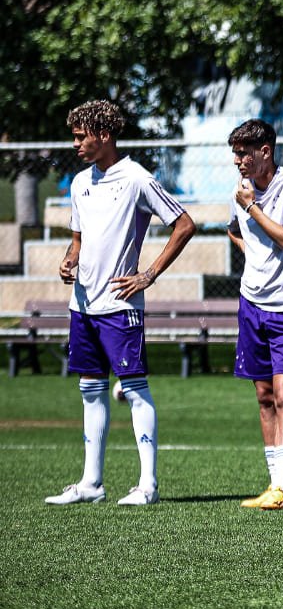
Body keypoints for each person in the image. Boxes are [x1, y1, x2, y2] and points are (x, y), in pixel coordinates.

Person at [45, 100, 194, 507]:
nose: (75, 143)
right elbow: (78, 239)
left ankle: (147, 485)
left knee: (134, 388)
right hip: (83, 305)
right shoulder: (79, 183)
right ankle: (92, 483)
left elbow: (184, 224)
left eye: (81, 136)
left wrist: (148, 274)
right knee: (91, 390)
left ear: (104, 135)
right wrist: (70, 259)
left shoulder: (137, 179)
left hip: (120, 305)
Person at [227, 118, 283, 510]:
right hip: (252, 303)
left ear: (266, 151)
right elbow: (235, 228)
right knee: (264, 396)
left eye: (245, 152)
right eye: (235, 153)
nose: (238, 160)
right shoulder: (242, 193)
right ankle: (273, 485)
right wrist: (253, 256)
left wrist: (252, 207)